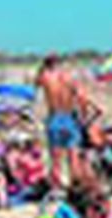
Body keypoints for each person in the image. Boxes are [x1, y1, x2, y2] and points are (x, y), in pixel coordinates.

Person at [35, 54, 97, 192]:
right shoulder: (69, 78)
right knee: (73, 158)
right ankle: (76, 190)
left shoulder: (45, 77)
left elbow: (35, 84)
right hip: (69, 118)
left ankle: (56, 191)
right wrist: (84, 117)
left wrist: (42, 69)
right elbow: (82, 98)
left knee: (56, 160)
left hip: (54, 118)